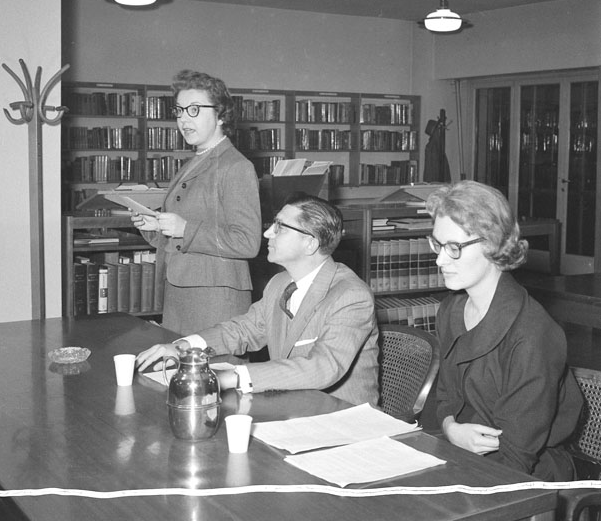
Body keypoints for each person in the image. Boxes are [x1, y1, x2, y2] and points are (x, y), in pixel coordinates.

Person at [136, 194, 380, 406]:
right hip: (293, 407)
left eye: (280, 227)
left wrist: (231, 377)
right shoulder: (279, 283)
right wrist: (183, 347)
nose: (267, 233)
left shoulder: (351, 296)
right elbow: (243, 330)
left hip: (344, 418)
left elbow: (323, 367)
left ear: (310, 243)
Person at [427, 180, 583, 481]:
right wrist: (450, 428)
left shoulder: (532, 333)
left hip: (524, 475)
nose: (439, 259)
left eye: (453, 248)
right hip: (459, 454)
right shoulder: (451, 310)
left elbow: (516, 457)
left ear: (492, 244)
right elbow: (445, 396)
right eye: (437, 244)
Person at [131, 69, 262, 334]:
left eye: (194, 110)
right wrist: (155, 226)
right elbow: (185, 234)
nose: (183, 119)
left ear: (221, 114)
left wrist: (185, 229)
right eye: (179, 111)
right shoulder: (194, 162)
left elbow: (248, 242)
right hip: (180, 294)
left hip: (215, 299)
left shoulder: (236, 166)